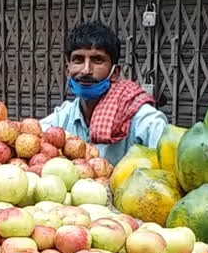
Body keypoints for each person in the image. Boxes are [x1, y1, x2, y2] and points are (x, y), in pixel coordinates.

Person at [40, 21, 168, 165]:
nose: (86, 70)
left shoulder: (138, 118)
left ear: (115, 73)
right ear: (67, 70)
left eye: (97, 60)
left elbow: (168, 157)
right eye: (78, 60)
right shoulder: (62, 118)